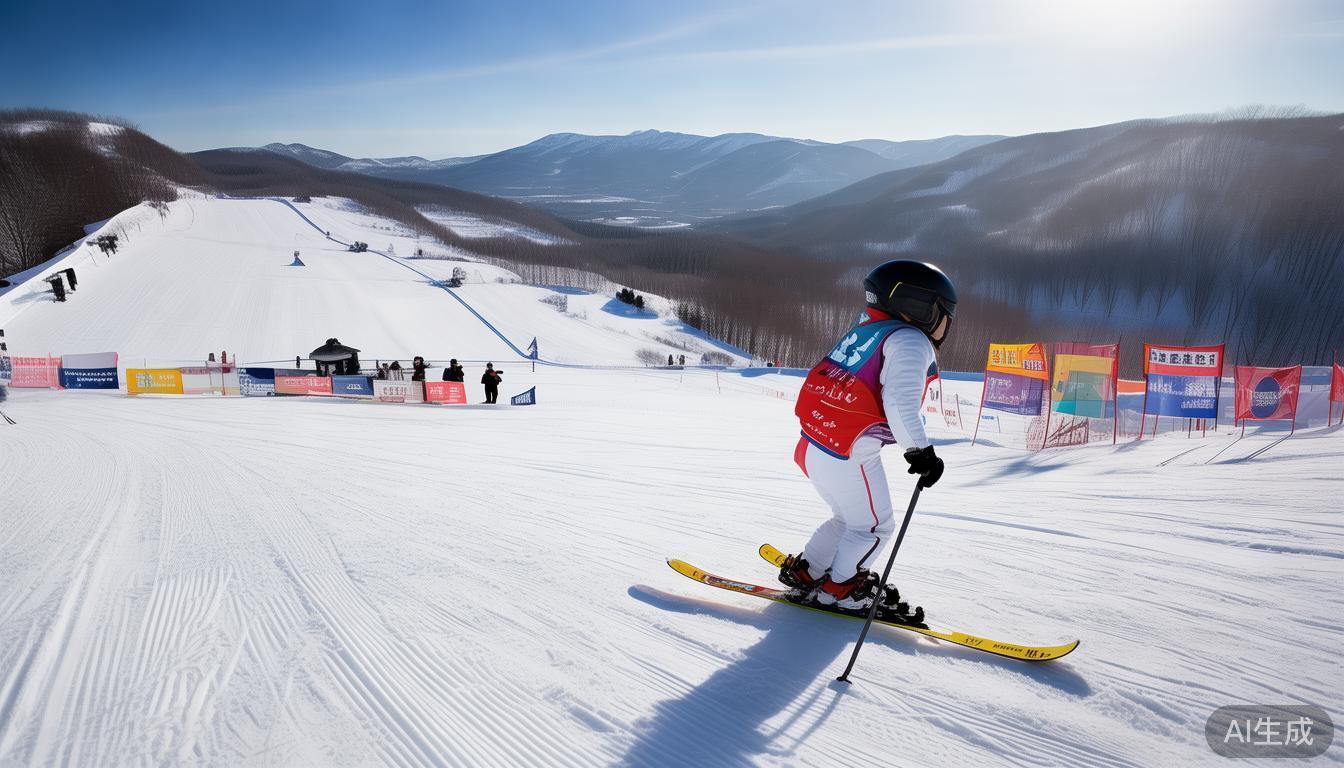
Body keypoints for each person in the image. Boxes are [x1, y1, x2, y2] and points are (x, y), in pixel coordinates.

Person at [779, 260, 955, 617]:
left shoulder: (868, 329)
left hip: (814, 444)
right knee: (875, 526)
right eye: (942, 312)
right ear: (919, 306)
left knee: (848, 518)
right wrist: (920, 452)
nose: (946, 322)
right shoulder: (909, 339)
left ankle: (808, 570)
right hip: (849, 450)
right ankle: (842, 587)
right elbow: (900, 403)